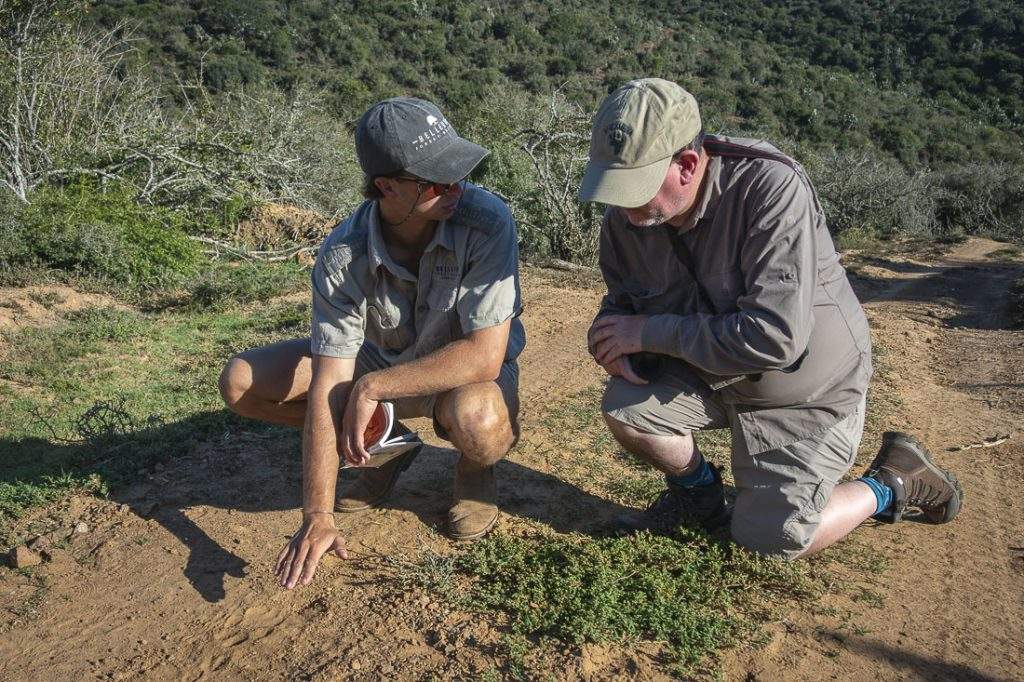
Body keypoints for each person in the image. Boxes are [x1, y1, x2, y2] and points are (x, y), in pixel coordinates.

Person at [579, 78, 962, 559]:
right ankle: (700, 498)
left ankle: (893, 482)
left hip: (802, 391)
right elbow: (623, 300)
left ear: (688, 164)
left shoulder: (769, 188)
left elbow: (776, 338)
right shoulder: (630, 218)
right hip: (714, 373)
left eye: (635, 188)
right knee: (627, 407)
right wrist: (609, 334)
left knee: (773, 540)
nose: (623, 207)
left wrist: (648, 332)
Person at [219, 97, 525, 588]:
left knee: (480, 423)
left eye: (458, 173)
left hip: (463, 373)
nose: (456, 188)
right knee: (240, 382)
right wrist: (316, 513)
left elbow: (484, 354)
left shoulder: (487, 222)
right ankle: (384, 448)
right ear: (387, 187)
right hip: (380, 364)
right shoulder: (344, 253)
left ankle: (474, 471)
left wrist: (372, 388)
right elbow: (330, 380)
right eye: (437, 180)